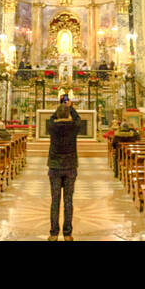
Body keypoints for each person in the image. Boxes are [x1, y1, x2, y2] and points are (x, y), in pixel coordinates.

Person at [47, 94, 83, 241]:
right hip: (70, 166)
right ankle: (67, 233)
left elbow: (50, 118)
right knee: (68, 200)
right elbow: (78, 119)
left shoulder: (52, 126)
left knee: (55, 200)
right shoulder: (73, 127)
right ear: (68, 114)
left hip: (55, 167)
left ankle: (54, 233)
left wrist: (60, 108)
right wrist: (71, 108)